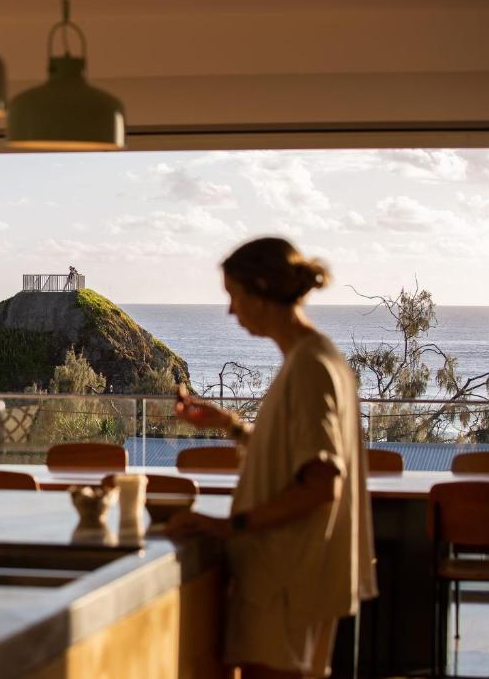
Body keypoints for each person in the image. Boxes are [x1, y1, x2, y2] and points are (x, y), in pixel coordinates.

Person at [168, 237, 376, 679]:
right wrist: (230, 425)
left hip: (286, 581)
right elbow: (295, 454)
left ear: (262, 288)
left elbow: (322, 483)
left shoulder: (309, 368)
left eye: (235, 296)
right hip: (294, 578)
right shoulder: (317, 357)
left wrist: (228, 525)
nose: (231, 310)